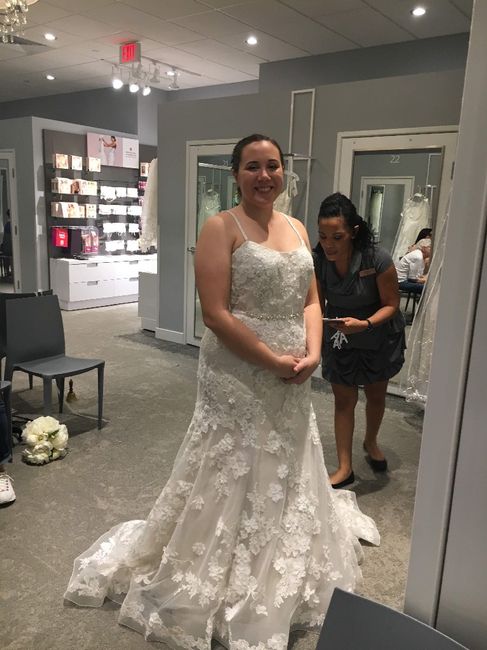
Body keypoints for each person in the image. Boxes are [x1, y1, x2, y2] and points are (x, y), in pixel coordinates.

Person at [64, 135, 379, 649]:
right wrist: (271, 359)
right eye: (252, 167)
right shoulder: (220, 227)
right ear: (235, 174)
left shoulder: (298, 228)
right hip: (238, 371)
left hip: (294, 372)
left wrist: (314, 353)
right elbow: (214, 314)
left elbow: (310, 301)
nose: (264, 176)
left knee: (285, 457)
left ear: (284, 172)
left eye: (272, 166)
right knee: (233, 459)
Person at [313, 193, 405, 489]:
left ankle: (371, 441)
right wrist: (314, 337)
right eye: (323, 236)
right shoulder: (319, 261)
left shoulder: (377, 259)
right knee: (344, 400)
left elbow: (392, 304)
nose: (329, 244)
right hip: (340, 333)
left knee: (376, 395)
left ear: (353, 232)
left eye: (337, 237)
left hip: (377, 331)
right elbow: (317, 305)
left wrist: (364, 324)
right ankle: (345, 467)